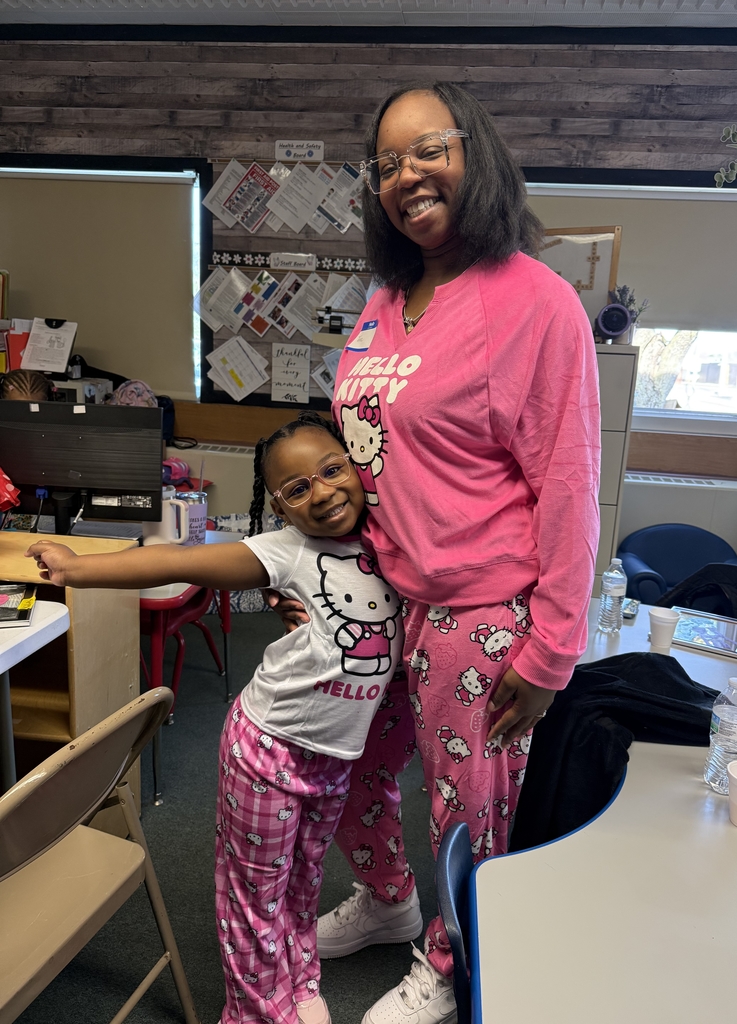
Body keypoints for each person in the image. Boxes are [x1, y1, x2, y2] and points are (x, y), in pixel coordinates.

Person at [271, 82, 602, 1024]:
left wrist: (550, 650)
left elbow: (572, 484)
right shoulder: (382, 300)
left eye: (430, 149)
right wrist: (317, 578)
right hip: (381, 595)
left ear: (477, 155)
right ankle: (387, 902)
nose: (406, 175)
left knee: (469, 812)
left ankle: (455, 963)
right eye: (385, 164)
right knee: (345, 771)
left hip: (482, 610)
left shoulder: (537, 303)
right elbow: (362, 467)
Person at [26, 412, 405, 1024]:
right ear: (280, 508)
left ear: (359, 467)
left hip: (337, 755)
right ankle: (255, 1011)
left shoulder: (393, 542)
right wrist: (76, 569)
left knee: (305, 881)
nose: (324, 491)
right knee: (255, 897)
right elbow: (178, 562)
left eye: (333, 470)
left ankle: (299, 980)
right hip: (269, 749)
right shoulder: (286, 549)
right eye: (297, 488)